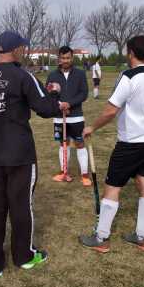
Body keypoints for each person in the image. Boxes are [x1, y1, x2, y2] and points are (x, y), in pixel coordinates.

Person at [0, 31, 68, 277]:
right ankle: (23, 256)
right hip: (19, 156)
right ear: (16, 49)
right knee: (21, 206)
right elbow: (44, 108)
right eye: (23, 48)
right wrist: (56, 96)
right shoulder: (23, 75)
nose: (24, 51)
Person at [79, 36, 144, 253]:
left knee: (113, 187)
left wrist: (92, 127)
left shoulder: (129, 76)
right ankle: (143, 236)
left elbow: (110, 110)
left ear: (131, 53)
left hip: (132, 143)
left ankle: (101, 238)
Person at [47, 46, 91, 185]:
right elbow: (48, 93)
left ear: (72, 58)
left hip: (76, 117)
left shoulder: (80, 74)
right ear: (59, 58)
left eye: (68, 58)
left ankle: (84, 175)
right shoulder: (52, 75)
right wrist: (59, 104)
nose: (65, 60)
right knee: (63, 143)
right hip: (59, 117)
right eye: (63, 58)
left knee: (79, 143)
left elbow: (83, 94)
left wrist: (69, 104)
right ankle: (63, 172)